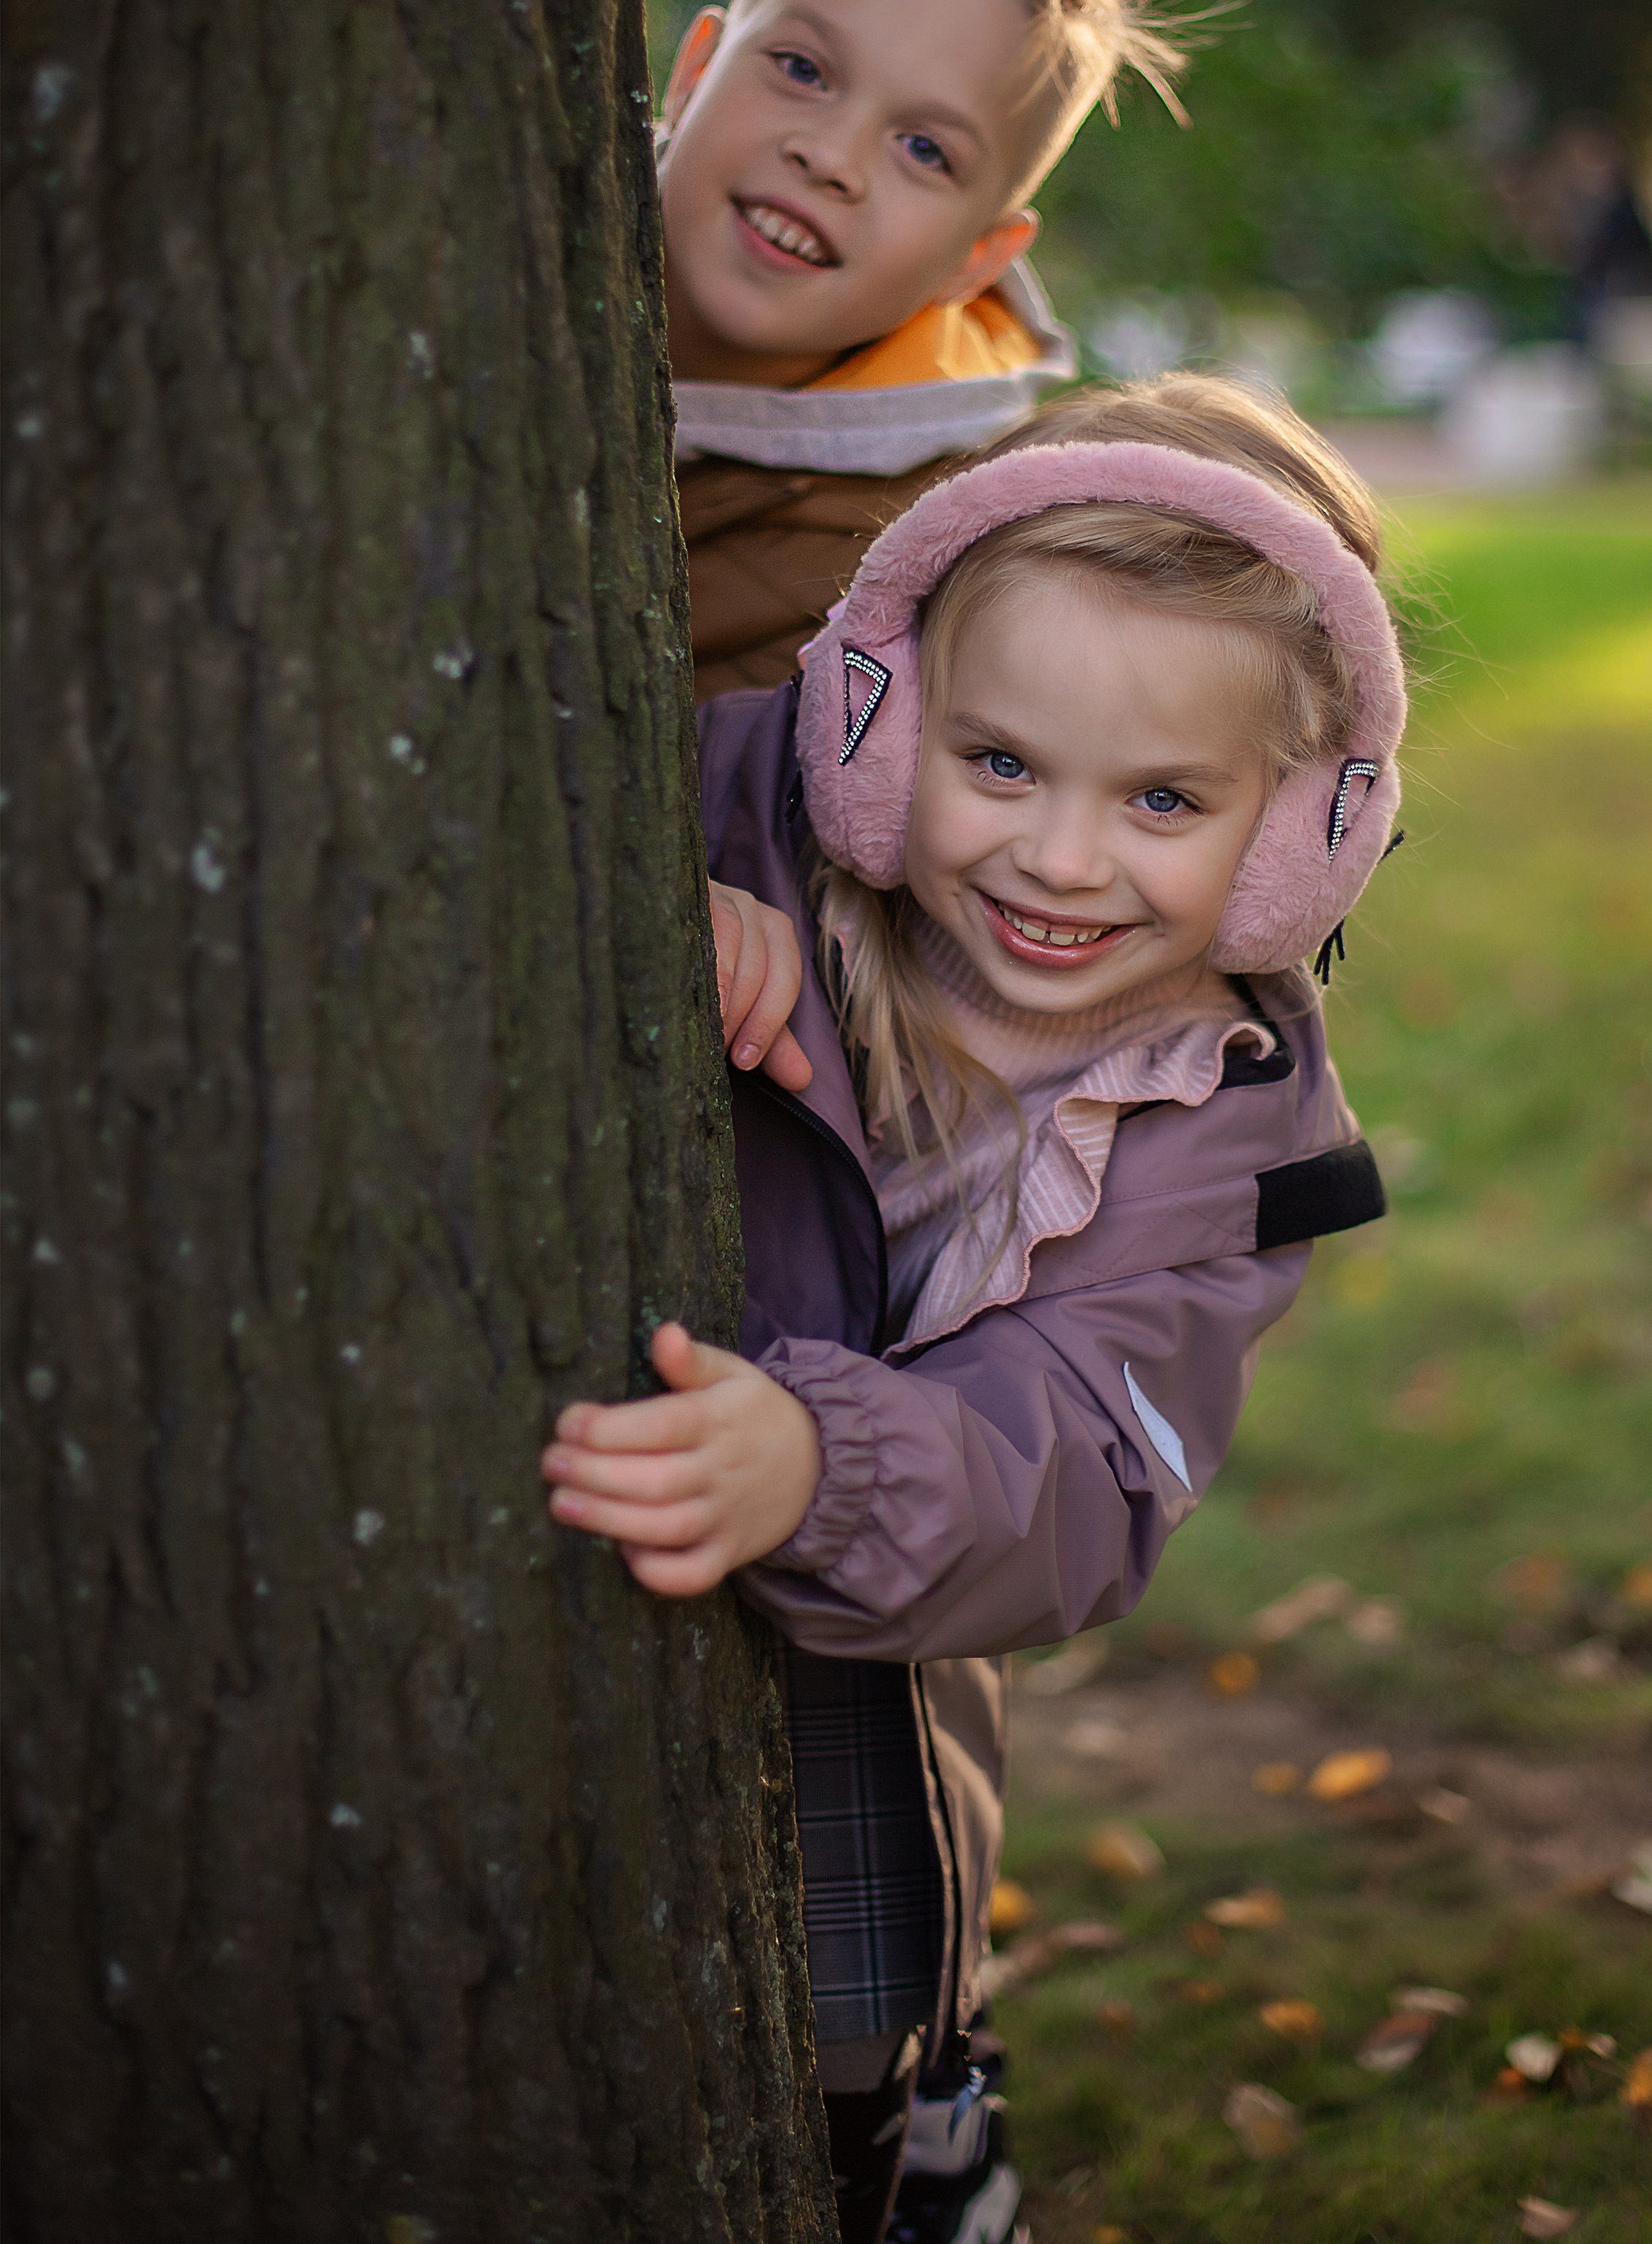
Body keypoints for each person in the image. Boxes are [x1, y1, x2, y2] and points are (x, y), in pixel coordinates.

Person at [542, 375, 1405, 2242]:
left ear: (1296, 838)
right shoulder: (743, 811)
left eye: (1163, 799)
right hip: (548, 1595)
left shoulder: (1207, 1140)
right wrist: (657, 892)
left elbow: (1083, 1482)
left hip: (860, 1678)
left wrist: (822, 1467)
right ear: (883, 714)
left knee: (815, 2069)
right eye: (997, 761)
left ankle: (913, 2149)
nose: (1060, 858)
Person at [661, 0, 1192, 699]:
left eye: (924, 150)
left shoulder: (904, 570)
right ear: (693, 75)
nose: (832, 158)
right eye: (802, 69)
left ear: (975, 261)